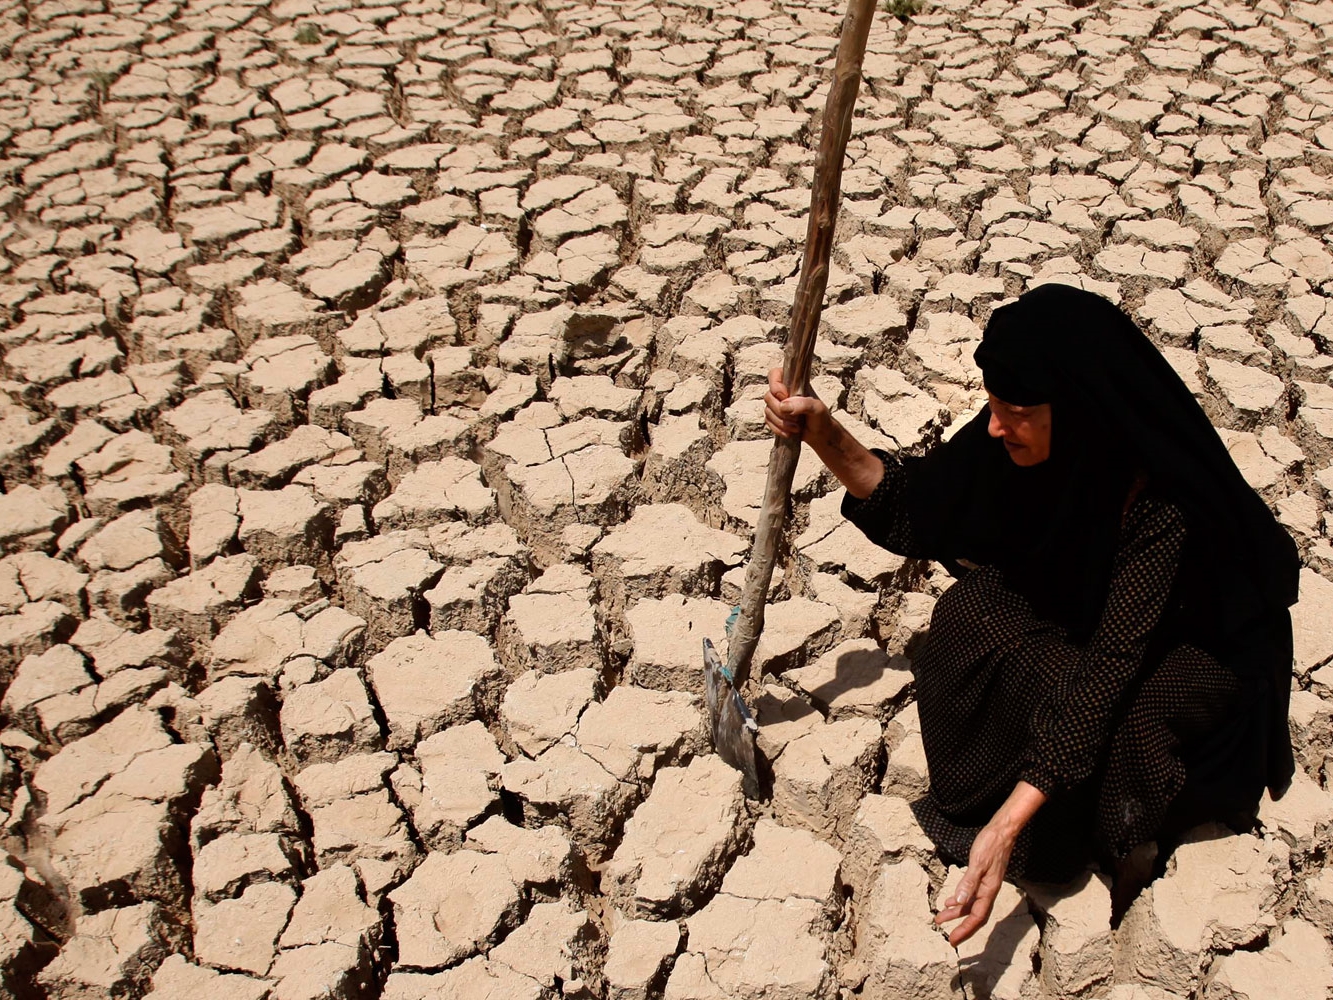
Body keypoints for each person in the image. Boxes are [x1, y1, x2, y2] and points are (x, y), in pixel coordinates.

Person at [764, 283, 1301, 946]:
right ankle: (1031, 799)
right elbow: (922, 506)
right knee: (970, 614)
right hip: (1089, 616)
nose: (993, 426)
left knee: (1125, 733)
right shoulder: (1017, 435)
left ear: (1075, 411)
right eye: (991, 404)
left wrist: (1006, 826)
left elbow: (1111, 665)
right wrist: (822, 433)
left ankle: (1112, 843)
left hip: (1192, 646)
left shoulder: (1156, 500)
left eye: (1014, 411)